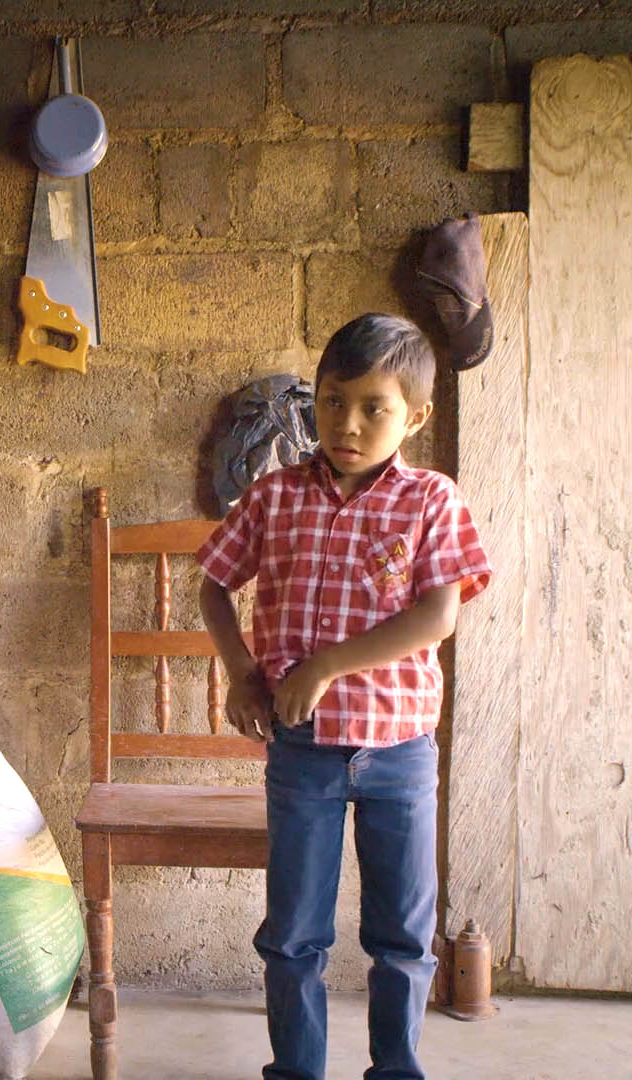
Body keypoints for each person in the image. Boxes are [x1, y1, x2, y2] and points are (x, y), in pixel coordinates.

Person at [195, 313, 490, 1080]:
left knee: (400, 932)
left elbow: (438, 614)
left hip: (399, 752)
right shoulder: (275, 496)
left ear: (415, 416)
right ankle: (296, 1071)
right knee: (293, 933)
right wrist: (239, 670)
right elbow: (215, 586)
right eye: (331, 401)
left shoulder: (431, 500)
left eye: (373, 407)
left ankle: (396, 1069)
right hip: (304, 754)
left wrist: (323, 666)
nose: (347, 424)